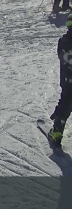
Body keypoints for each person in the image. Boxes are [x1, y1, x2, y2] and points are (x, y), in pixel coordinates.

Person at [46, 15, 72, 146]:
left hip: (67, 79)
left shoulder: (62, 41)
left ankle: (57, 131)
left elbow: (60, 56)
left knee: (66, 103)